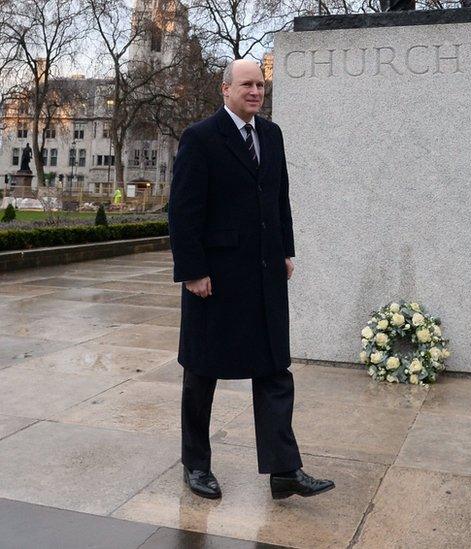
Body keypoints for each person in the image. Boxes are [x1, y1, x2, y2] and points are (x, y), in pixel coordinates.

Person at [168, 59, 333, 501]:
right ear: (225, 90)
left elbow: (280, 197)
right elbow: (183, 212)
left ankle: (284, 470)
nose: (255, 91)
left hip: (264, 275)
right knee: (202, 373)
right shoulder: (200, 138)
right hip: (216, 278)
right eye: (246, 85)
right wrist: (193, 271)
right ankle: (196, 464)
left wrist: (285, 252)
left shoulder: (272, 134)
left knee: (274, 370)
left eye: (260, 84)